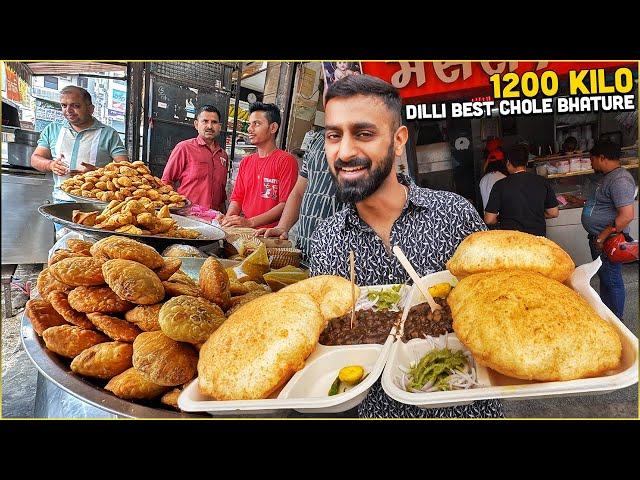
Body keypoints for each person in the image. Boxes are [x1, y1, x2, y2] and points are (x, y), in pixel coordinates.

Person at [310, 74, 503, 418]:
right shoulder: (326, 239)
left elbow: (495, 306)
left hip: (466, 409)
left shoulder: (454, 215)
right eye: (334, 135)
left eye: (364, 134)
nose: (345, 151)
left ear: (398, 141)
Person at [30, 85, 128, 204]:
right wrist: (51, 165)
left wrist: (97, 173)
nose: (68, 110)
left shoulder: (109, 134)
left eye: (76, 106)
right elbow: (35, 159)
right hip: (61, 200)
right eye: (64, 105)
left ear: (90, 109)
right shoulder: (53, 129)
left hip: (96, 204)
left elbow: (125, 169)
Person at [255, 129, 342, 262]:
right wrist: (282, 227)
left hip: (338, 256)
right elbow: (299, 192)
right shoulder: (317, 139)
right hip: (305, 251)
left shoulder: (369, 144)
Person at [220, 102, 298, 229]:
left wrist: (250, 222)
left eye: (256, 124)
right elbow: (237, 199)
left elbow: (286, 205)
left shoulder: (286, 160)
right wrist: (228, 220)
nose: (250, 129)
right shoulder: (246, 162)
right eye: (250, 124)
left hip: (270, 236)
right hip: (245, 232)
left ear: (273, 128)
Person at [581, 140, 636, 319]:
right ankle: (607, 315)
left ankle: (616, 320)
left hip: (609, 240)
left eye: (592, 159)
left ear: (602, 158)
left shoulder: (620, 179)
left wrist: (602, 237)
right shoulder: (608, 176)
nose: (591, 163)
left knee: (612, 281)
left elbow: (626, 215)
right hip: (599, 239)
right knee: (605, 278)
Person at [161, 104, 228, 211]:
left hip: (214, 218)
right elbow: (166, 181)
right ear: (196, 125)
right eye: (205, 121)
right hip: (187, 216)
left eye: (214, 122)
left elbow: (221, 193)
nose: (210, 126)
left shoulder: (223, 155)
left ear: (219, 127)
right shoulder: (184, 148)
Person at [484, 144, 559, 236]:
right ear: (526, 162)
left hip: (512, 240)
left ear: (508, 162)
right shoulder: (542, 182)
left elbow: (489, 219)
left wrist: (502, 220)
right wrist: (535, 215)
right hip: (537, 240)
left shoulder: (500, 185)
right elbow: (554, 213)